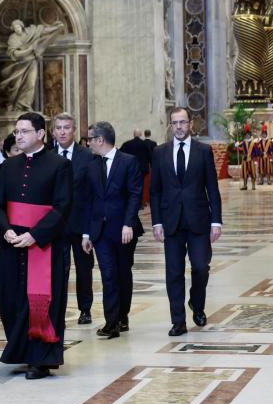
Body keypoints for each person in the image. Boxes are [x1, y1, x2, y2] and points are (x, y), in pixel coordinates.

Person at [0, 112, 72, 380]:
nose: (18, 136)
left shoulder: (59, 165)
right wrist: (5, 229)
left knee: (42, 301)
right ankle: (22, 351)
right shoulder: (8, 166)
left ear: (40, 134)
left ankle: (41, 359)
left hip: (43, 246)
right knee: (10, 299)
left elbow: (62, 207)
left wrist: (36, 235)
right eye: (16, 131)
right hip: (12, 243)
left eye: (24, 131)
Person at [150, 107, 222, 337]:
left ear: (190, 124)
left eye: (182, 122)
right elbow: (155, 191)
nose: (179, 127)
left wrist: (216, 221)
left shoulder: (203, 151)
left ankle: (196, 303)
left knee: (200, 267)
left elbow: (212, 187)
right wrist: (156, 222)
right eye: (175, 123)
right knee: (174, 272)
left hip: (198, 219)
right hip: (171, 221)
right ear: (170, 126)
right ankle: (178, 321)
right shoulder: (160, 152)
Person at [82, 122, 144, 338]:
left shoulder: (128, 161)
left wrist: (128, 223)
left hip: (123, 230)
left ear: (100, 140)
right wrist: (86, 234)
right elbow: (88, 201)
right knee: (108, 274)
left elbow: (135, 194)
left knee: (123, 273)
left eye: (90, 139)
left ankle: (122, 315)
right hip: (100, 231)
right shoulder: (92, 166)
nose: (88, 143)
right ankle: (112, 321)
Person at [51, 113, 94, 325]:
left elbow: (92, 193)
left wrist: (89, 230)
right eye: (58, 128)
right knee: (59, 269)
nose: (62, 131)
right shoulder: (48, 155)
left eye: (66, 127)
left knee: (84, 269)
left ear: (74, 131)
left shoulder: (87, 156)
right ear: (53, 131)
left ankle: (85, 309)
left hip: (81, 222)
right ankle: (57, 309)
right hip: (55, 224)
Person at [0, 19, 64, 113]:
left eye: (18, 26)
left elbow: (43, 31)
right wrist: (29, 50)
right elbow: (15, 54)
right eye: (14, 28)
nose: (17, 29)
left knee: (31, 84)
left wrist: (55, 28)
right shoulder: (12, 38)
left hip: (32, 62)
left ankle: (25, 105)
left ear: (22, 26)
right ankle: (15, 106)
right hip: (19, 65)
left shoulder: (31, 31)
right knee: (16, 86)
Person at [236, 126, 259, 191]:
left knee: (252, 173)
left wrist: (254, 158)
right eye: (246, 135)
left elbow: (256, 151)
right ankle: (245, 185)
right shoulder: (244, 142)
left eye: (248, 135)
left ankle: (253, 185)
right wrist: (237, 147)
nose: (247, 136)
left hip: (251, 159)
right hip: (245, 159)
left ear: (250, 135)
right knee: (244, 173)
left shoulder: (253, 143)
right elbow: (242, 149)